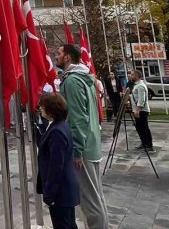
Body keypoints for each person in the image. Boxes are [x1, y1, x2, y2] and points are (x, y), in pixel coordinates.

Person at [56, 44, 109, 229]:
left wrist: (77, 149)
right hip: (91, 143)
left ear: (68, 57)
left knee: (90, 201)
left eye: (59, 53)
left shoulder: (72, 81)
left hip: (84, 148)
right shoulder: (82, 78)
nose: (57, 56)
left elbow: (78, 117)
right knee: (96, 197)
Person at [37, 93, 80, 229]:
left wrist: (50, 194)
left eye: (42, 106)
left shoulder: (57, 131)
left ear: (51, 109)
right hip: (63, 190)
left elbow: (56, 166)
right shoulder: (58, 125)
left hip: (61, 192)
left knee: (64, 224)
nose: (40, 109)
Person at [129, 70, 154, 151]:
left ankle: (149, 145)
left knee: (144, 127)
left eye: (132, 75)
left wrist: (137, 110)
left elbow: (141, 99)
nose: (131, 76)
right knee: (139, 128)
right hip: (137, 110)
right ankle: (144, 143)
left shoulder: (140, 86)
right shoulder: (136, 85)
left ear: (137, 76)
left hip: (141, 111)